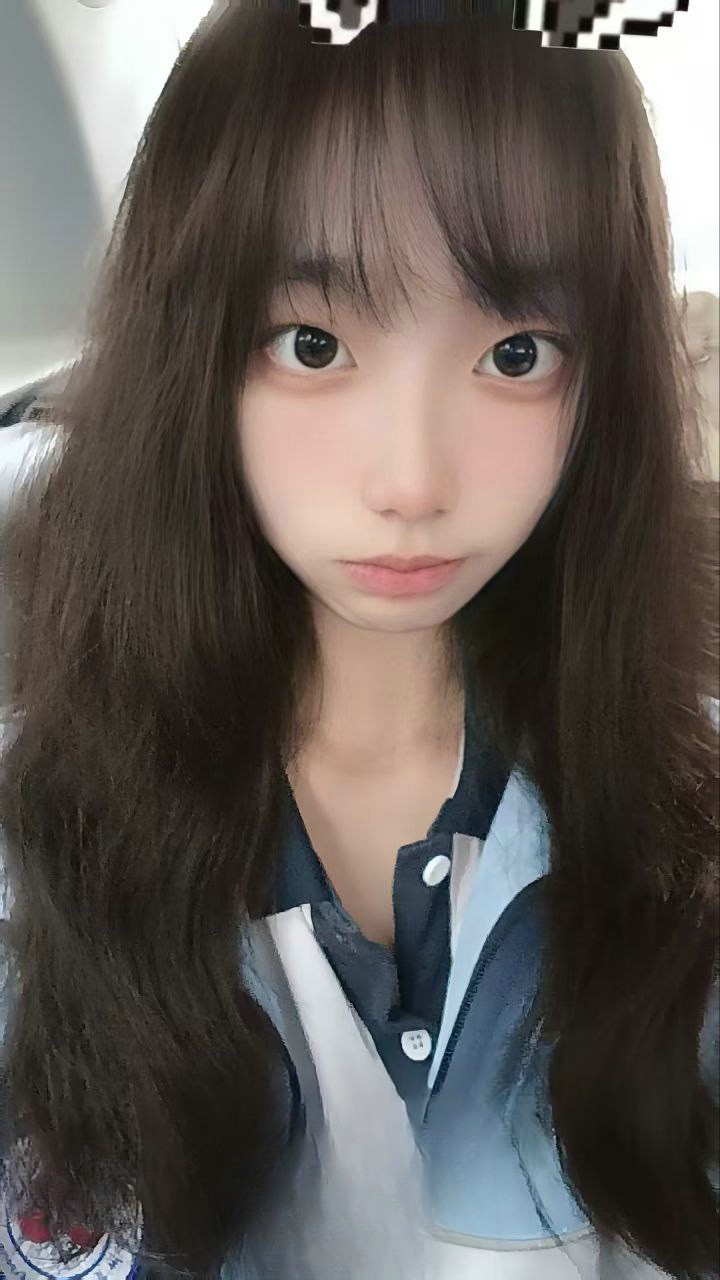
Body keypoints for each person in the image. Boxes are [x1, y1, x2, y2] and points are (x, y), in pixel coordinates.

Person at [0, 1, 717, 1278]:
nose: (412, 479)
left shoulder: (691, 828)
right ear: (191, 348)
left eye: (517, 352)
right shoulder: (35, 844)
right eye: (314, 343)